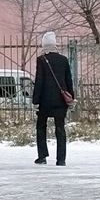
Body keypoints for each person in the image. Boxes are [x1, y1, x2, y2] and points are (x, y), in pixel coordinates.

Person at [33, 31, 73, 166]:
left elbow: (39, 81)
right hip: (61, 100)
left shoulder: (42, 60)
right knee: (60, 128)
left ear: (44, 45)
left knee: (41, 126)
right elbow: (68, 80)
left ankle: (42, 156)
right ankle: (61, 159)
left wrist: (36, 100)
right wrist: (71, 97)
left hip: (45, 100)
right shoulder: (63, 59)